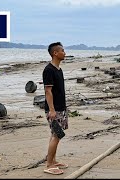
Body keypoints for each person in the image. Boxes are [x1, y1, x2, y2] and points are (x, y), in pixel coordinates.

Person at [42, 42, 68, 175]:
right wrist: (52, 110)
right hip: (54, 109)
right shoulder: (49, 70)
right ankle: (48, 165)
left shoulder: (58, 69)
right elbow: (48, 91)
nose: (65, 53)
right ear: (55, 53)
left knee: (55, 135)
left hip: (61, 108)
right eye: (62, 51)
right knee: (56, 135)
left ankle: (52, 160)